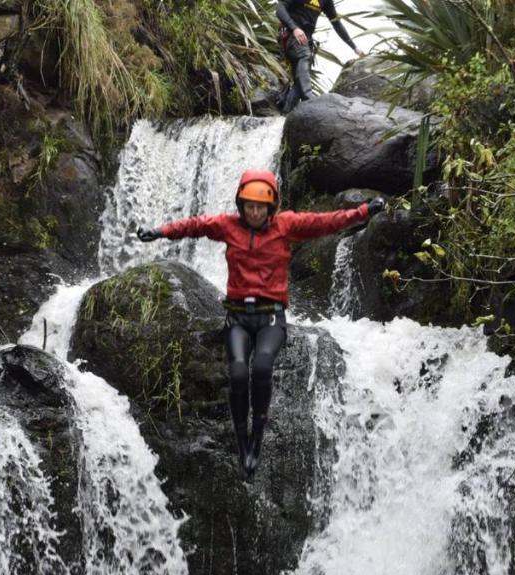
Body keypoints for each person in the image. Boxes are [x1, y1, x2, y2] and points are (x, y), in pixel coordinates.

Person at [138, 169, 385, 478]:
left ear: (271, 207)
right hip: (238, 318)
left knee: (263, 368)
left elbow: (327, 222)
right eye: (250, 206)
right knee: (239, 372)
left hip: (271, 318)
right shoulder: (227, 226)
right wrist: (160, 231)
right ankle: (243, 442)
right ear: (241, 205)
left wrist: (364, 212)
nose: (255, 212)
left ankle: (258, 433)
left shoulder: (287, 225)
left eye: (261, 207)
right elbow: (195, 225)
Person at [276, 0, 364, 112]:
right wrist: (294, 28)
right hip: (290, 33)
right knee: (305, 56)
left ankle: (285, 116)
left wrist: (354, 48)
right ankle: (309, 98)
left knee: (299, 83)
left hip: (305, 39)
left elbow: (336, 23)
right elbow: (280, 9)